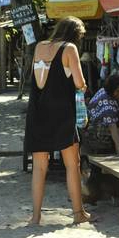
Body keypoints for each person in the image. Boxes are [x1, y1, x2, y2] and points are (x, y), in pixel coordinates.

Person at [24, 16, 94, 225]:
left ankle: (35, 217)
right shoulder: (70, 48)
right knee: (72, 164)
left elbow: (39, 79)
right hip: (62, 114)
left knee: (39, 167)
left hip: (38, 113)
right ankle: (78, 213)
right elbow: (80, 82)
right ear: (75, 34)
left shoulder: (39, 47)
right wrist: (82, 87)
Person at [85, 74, 119, 156]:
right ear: (112, 90)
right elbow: (111, 125)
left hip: (113, 125)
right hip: (97, 131)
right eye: (118, 91)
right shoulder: (105, 98)